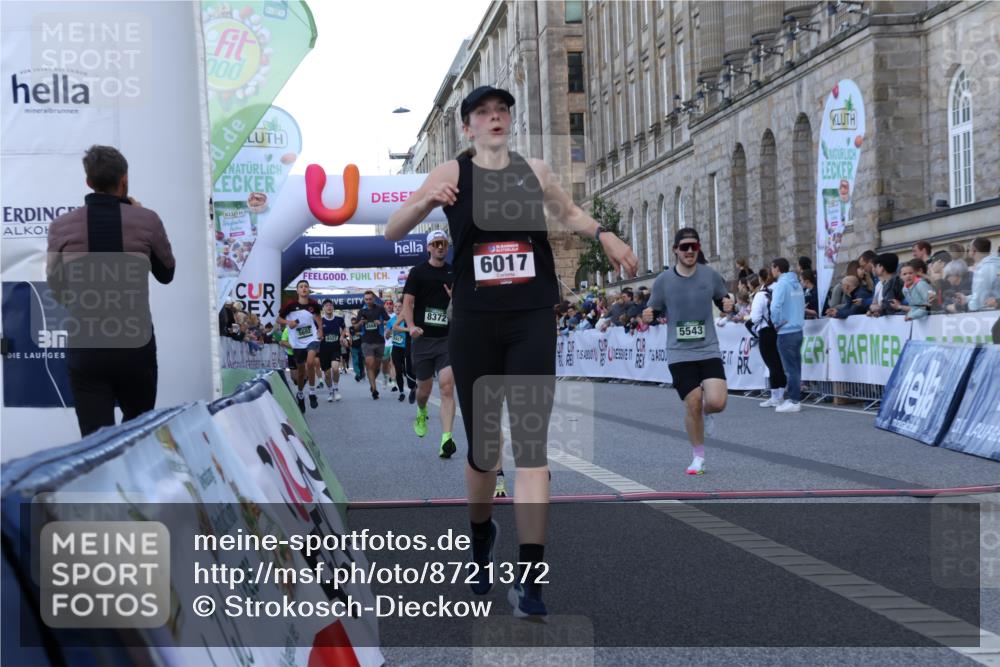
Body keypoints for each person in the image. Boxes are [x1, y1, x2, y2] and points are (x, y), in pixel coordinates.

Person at [385, 85, 637, 617]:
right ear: (468, 127)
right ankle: (480, 534)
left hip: (529, 319)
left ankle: (531, 578)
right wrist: (428, 202)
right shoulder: (452, 174)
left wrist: (606, 236)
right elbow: (392, 228)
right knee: (484, 452)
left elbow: (569, 213)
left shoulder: (536, 170)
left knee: (530, 446)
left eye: (502, 112)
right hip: (474, 323)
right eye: (484, 113)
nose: (495, 118)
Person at [46, 145, 175, 436]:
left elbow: (57, 290)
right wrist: (139, 217)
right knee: (139, 439)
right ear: (125, 179)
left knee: (94, 445)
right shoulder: (147, 220)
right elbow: (166, 274)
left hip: (87, 347)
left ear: (88, 182)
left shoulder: (61, 226)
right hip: (136, 348)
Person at [643, 228, 734, 474]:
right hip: (679, 352)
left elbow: (723, 300)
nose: (690, 251)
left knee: (717, 402)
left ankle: (706, 412)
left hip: (708, 348)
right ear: (675, 250)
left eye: (694, 246)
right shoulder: (663, 281)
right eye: (684, 247)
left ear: (699, 248)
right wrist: (649, 316)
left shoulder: (710, 275)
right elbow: (653, 310)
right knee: (692, 402)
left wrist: (728, 304)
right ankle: (698, 457)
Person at [399, 229, 458, 457]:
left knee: (446, 386)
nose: (440, 247)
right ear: (428, 248)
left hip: (447, 338)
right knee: (424, 390)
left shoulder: (454, 271)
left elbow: (464, 302)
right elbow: (408, 302)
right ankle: (421, 410)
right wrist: (412, 326)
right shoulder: (418, 272)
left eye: (443, 243)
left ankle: (446, 439)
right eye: (436, 244)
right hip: (423, 339)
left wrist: (456, 298)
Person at [276, 280, 322, 412]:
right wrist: (288, 322)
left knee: (310, 362)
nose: (304, 289)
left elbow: (318, 317)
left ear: (308, 290)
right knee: (301, 374)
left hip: (312, 338)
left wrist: (320, 330)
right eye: (301, 287)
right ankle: (300, 394)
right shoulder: (290, 305)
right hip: (297, 342)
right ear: (297, 291)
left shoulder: (313, 304)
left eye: (306, 287)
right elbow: (278, 319)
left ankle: (312, 393)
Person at [769, 258, 806, 413]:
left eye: (772, 268)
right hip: (798, 329)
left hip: (786, 330)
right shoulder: (796, 283)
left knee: (790, 369)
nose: (771, 271)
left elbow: (775, 306)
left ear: (777, 268)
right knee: (796, 367)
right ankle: (794, 398)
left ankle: (794, 400)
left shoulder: (781, 284)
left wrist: (776, 323)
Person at [748, 270, 786, 408]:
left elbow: (755, 317)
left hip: (766, 331)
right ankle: (781, 394)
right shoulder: (781, 290)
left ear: (761, 279)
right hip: (781, 329)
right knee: (779, 363)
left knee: (772, 364)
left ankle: (775, 396)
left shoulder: (760, 295)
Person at [354, 290, 390, 399]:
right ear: (364, 300)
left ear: (373, 299)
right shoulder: (361, 311)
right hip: (366, 342)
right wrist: (361, 323)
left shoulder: (380, 309)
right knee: (370, 364)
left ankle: (372, 382)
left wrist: (381, 322)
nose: (368, 301)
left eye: (370, 299)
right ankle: (374, 389)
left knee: (377, 366)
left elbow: (389, 321)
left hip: (379, 341)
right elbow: (355, 327)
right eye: (366, 299)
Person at [389, 297, 417, 403]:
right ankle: (401, 392)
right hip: (398, 348)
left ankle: (414, 389)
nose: (397, 308)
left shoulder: (416, 313)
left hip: (411, 347)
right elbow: (393, 328)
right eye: (395, 306)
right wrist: (409, 329)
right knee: (399, 371)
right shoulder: (396, 318)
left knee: (410, 372)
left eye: (399, 306)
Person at [319, 299, 348, 402]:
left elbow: (344, 329)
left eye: (331, 305)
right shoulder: (320, 321)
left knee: (335, 368)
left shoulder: (339, 319)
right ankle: (330, 391)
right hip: (323, 350)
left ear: (333, 307)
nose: (329, 307)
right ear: (323, 308)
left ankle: (336, 389)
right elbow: (315, 332)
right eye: (326, 305)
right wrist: (319, 337)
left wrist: (341, 336)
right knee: (327, 374)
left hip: (335, 348)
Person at [349, 316, 365, 382]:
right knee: (355, 361)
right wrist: (350, 345)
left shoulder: (361, 327)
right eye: (352, 323)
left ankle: (362, 372)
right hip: (354, 347)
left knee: (361, 361)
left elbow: (364, 334)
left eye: (354, 323)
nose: (353, 324)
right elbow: (351, 336)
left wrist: (360, 333)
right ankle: (358, 374)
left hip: (361, 346)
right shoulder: (351, 328)